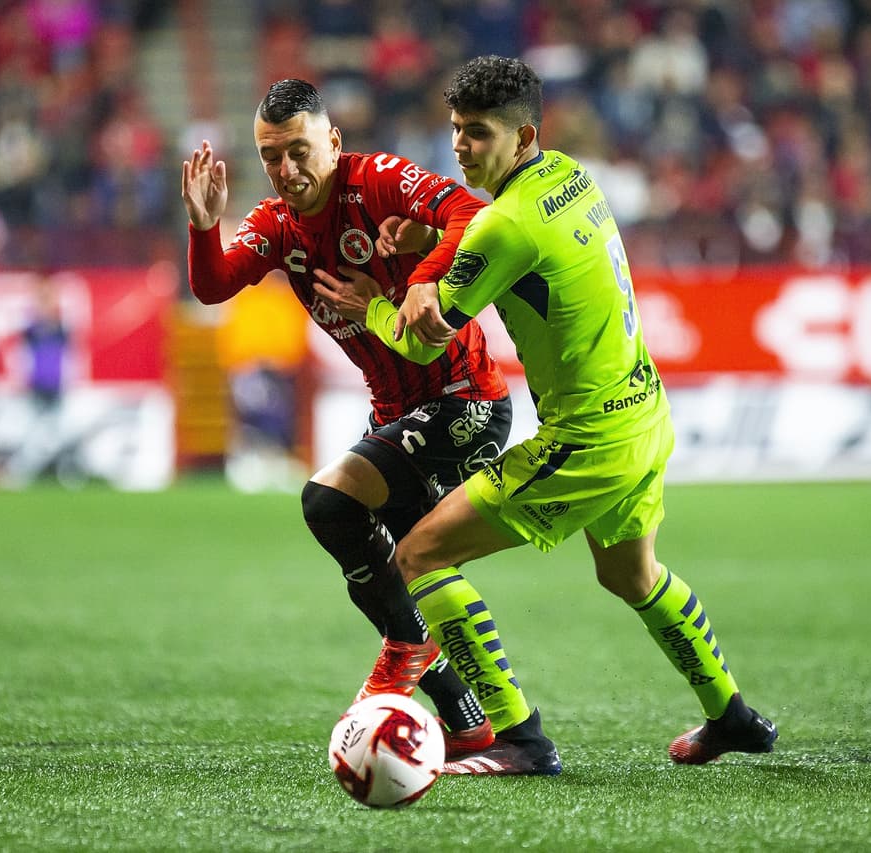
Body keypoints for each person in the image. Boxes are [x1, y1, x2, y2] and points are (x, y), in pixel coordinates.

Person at [314, 55, 777, 769]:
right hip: (644, 415)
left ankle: (519, 736)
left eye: (477, 134)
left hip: (587, 439)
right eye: (456, 130)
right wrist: (432, 243)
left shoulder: (508, 223)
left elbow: (425, 331)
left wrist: (366, 304)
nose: (461, 147)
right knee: (633, 576)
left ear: (523, 135)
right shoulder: (569, 176)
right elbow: (503, 250)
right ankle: (734, 715)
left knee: (417, 555)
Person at [182, 78, 560, 774]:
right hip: (397, 411)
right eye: (271, 157)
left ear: (332, 141)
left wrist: (419, 283)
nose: (287, 170)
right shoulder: (276, 225)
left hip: (464, 400)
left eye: (299, 151)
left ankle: (410, 650)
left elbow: (468, 210)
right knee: (407, 568)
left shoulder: (378, 180)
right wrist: (205, 224)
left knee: (331, 503)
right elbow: (214, 285)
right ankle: (484, 724)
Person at [4, 279, 73, 486]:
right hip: (36, 385)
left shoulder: (61, 328)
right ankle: (24, 471)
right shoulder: (31, 330)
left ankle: (63, 471)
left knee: (59, 430)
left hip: (56, 385)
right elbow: (19, 353)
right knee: (32, 430)